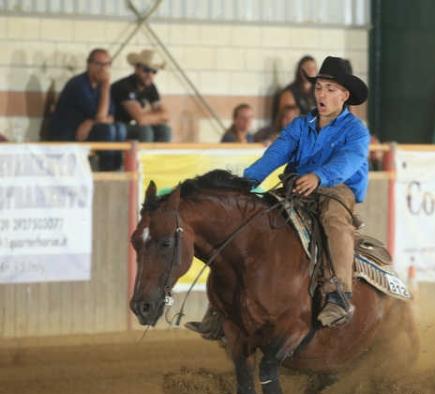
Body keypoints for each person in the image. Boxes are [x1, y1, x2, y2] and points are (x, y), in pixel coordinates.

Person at [186, 56, 369, 336]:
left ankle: (339, 295)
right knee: (253, 220)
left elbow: (348, 161)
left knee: (334, 222)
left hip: (336, 188)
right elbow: (276, 154)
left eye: (330, 89)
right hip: (296, 185)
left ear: (345, 96)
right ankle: (222, 306)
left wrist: (319, 176)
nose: (322, 94)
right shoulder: (300, 125)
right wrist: (247, 182)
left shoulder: (356, 131)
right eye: (319, 87)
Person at [48, 48, 126, 171]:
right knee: (107, 130)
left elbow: (110, 117)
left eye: (107, 64)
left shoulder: (102, 86)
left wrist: (92, 122)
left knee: (120, 128)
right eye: (98, 64)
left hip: (87, 132)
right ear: (89, 64)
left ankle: (116, 171)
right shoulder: (78, 84)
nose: (103, 69)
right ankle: (108, 172)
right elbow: (101, 117)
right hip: (70, 133)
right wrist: (106, 85)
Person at [110, 49, 171, 143]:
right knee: (145, 131)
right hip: (115, 125)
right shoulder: (125, 86)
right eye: (146, 70)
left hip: (131, 124)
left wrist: (148, 117)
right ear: (136, 68)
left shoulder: (150, 86)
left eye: (154, 71)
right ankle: (142, 157)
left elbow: (166, 115)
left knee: (165, 129)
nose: (150, 75)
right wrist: (155, 116)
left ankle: (157, 157)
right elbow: (140, 119)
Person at [273, 55, 317, 120]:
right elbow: (287, 119)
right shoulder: (289, 93)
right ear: (300, 71)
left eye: (314, 68)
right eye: (308, 68)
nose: (311, 71)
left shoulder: (318, 91)